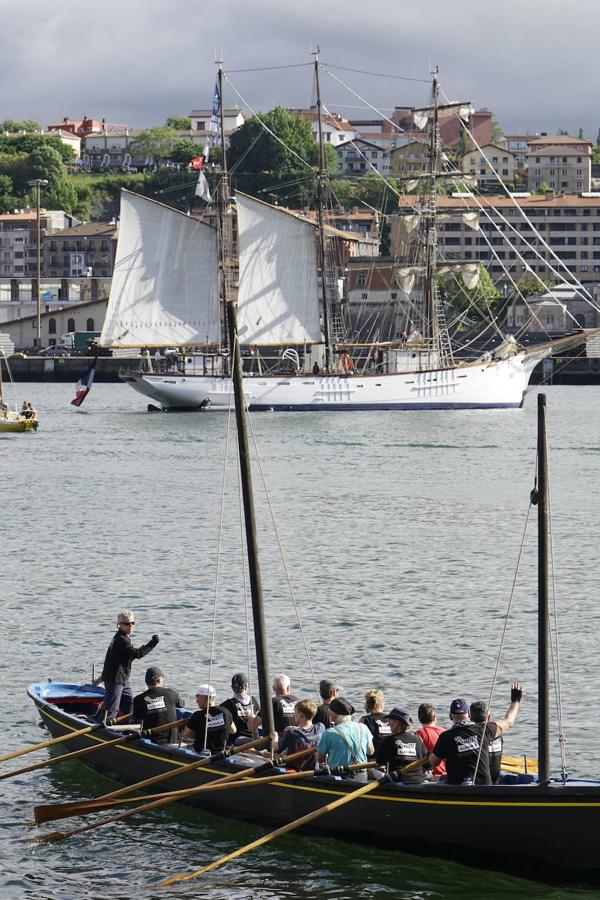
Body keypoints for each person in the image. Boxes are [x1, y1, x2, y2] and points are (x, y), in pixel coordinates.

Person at [427, 683, 523, 785]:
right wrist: (515, 701)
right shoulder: (483, 729)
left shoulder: (445, 737)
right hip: (484, 788)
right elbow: (508, 722)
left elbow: (433, 762)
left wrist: (429, 756)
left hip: (458, 791)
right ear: (468, 714)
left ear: (450, 716)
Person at [94, 611, 159, 722]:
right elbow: (137, 654)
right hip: (115, 680)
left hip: (123, 679)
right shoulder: (121, 640)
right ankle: (104, 728)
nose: (131, 626)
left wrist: (100, 678)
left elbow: (123, 658)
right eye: (127, 624)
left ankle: (126, 727)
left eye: (132, 623)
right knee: (112, 710)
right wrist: (153, 643)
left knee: (129, 702)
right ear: (119, 625)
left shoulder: (123, 638)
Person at [317, 697, 374, 781]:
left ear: (333, 714)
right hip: (361, 776)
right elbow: (371, 751)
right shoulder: (363, 728)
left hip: (339, 777)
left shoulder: (329, 733)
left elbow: (320, 759)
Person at [376, 707, 428, 784]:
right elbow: (427, 764)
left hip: (398, 780)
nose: (388, 723)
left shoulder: (389, 739)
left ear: (397, 723)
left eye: (390, 721)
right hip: (419, 780)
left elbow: (379, 761)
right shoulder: (417, 738)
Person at [132, 667, 183, 744]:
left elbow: (137, 717)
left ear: (146, 682)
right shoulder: (172, 693)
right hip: (173, 741)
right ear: (159, 680)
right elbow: (181, 705)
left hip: (151, 741)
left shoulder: (138, 699)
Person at [182, 684, 236, 754]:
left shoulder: (197, 715)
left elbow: (185, 735)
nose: (196, 701)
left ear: (204, 697)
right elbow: (233, 730)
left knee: (182, 742)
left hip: (200, 752)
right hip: (220, 753)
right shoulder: (226, 712)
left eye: (197, 696)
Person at [273, 699, 325, 768]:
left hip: (293, 771)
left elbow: (277, 748)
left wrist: (275, 737)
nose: (293, 715)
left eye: (295, 712)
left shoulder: (291, 733)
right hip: (313, 769)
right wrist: (296, 728)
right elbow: (307, 730)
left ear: (301, 715)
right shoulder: (320, 727)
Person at [470, 700, 503, 784]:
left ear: (470, 717)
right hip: (496, 780)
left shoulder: (471, 736)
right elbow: (508, 722)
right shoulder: (497, 733)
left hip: (481, 782)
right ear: (488, 717)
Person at [220, 673, 259, 739]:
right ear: (247, 686)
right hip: (254, 738)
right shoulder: (254, 700)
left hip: (238, 740)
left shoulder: (228, 704)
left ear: (232, 688)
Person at [415, 703, 446, 777]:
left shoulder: (419, 733)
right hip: (446, 772)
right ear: (435, 717)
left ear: (419, 719)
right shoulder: (444, 732)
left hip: (432, 774)